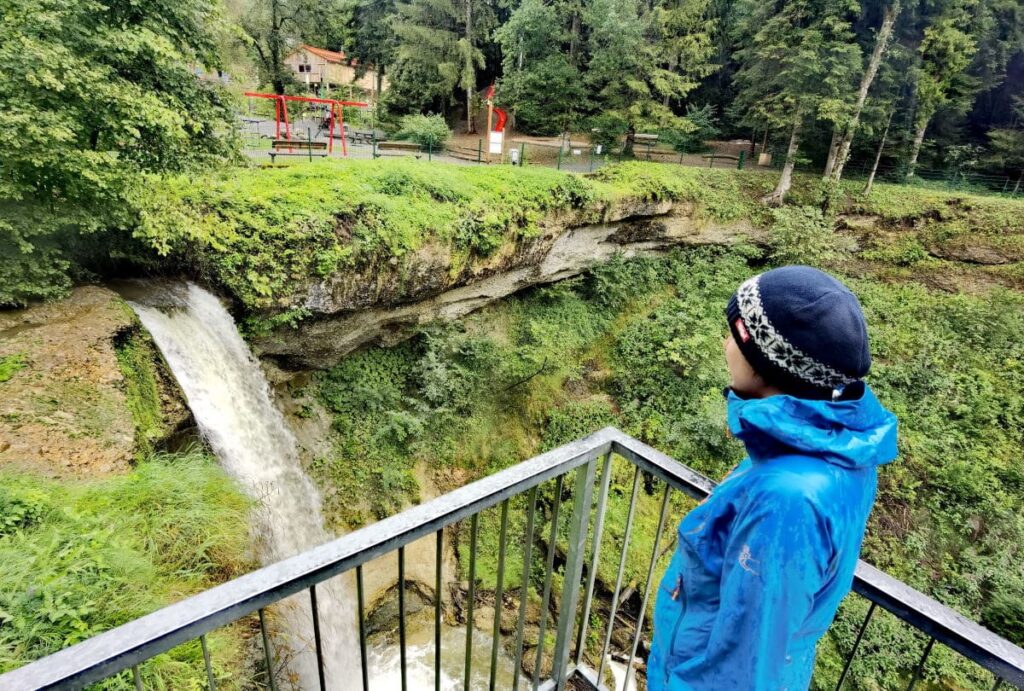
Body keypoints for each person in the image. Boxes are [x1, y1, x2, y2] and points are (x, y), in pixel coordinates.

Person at [647, 265, 898, 691]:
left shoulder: (787, 499)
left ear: (765, 362)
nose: (725, 343)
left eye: (733, 334)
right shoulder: (831, 448)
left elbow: (746, 672)